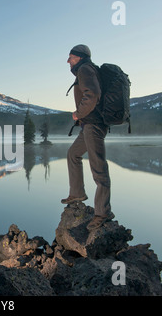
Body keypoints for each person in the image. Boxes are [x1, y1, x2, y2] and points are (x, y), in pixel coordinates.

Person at [62, 44, 114, 230]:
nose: (68, 61)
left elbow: (92, 95)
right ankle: (77, 193)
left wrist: (78, 113)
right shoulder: (86, 70)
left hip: (94, 126)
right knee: (73, 154)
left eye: (71, 57)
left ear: (80, 57)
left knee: (99, 170)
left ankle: (103, 213)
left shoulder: (85, 69)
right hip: (88, 127)